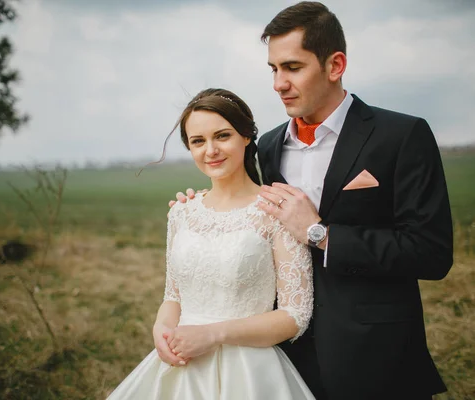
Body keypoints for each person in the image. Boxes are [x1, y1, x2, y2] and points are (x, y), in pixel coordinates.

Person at [173, 2, 454, 399]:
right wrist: (199, 210)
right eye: (273, 69)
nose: (278, 83)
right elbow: (249, 222)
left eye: (292, 67)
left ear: (335, 65)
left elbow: (431, 253)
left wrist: (321, 234)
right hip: (283, 360)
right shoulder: (267, 147)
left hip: (376, 358)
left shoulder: (401, 136)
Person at [106, 88, 316, 399]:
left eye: (222, 136)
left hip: (248, 371)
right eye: (198, 141)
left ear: (246, 136)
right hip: (183, 366)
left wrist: (214, 335)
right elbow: (173, 296)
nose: (211, 150)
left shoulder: (276, 212)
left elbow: (294, 314)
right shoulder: (181, 212)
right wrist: (161, 332)